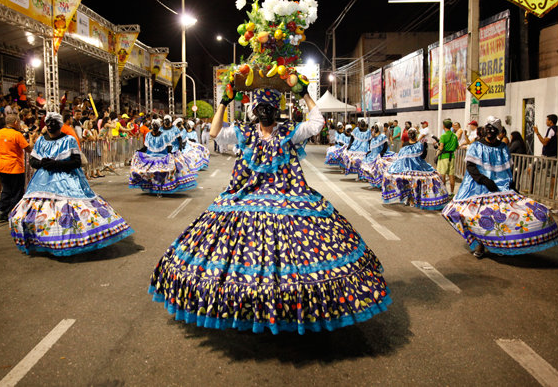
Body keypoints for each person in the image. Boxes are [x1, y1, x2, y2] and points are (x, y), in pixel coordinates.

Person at [148, 86, 392, 334]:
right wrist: (223, 102)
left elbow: (317, 124)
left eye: (270, 108)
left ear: (277, 111)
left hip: (289, 196)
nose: (264, 112)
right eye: (260, 107)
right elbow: (214, 132)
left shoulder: (288, 132)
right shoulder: (243, 133)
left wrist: (304, 95)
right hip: (246, 195)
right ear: (254, 110)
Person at [9, 112, 133, 255]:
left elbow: (76, 161)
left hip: (67, 180)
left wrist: (57, 163)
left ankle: (71, 240)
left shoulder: (69, 140)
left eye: (52, 123)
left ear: (59, 124)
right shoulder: (41, 141)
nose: (49, 126)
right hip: (43, 181)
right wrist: (42, 162)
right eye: (47, 123)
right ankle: (43, 240)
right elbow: (33, 160)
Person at [442, 116, 558, 258]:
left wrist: (511, 184)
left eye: (493, 131)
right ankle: (479, 245)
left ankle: (498, 243)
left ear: (498, 132)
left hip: (500, 186)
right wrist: (483, 180)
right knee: (476, 216)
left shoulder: (502, 147)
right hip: (477, 186)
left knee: (502, 215)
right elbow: (471, 166)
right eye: (488, 130)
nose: (490, 133)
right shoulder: (476, 146)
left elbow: (507, 168)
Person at [382, 128, 449, 210]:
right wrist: (425, 146)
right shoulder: (420, 145)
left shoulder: (405, 144)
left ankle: (410, 198)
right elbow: (423, 156)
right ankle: (412, 199)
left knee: (408, 183)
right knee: (414, 182)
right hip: (418, 167)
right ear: (416, 135)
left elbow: (401, 158)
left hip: (405, 168)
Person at [129, 118, 196, 195]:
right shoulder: (148, 135)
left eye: (155, 127)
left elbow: (169, 146)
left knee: (165, 171)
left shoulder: (164, 135)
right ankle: (154, 187)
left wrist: (170, 155)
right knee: (149, 172)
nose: (154, 129)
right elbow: (145, 147)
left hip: (162, 157)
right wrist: (138, 152)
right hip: (150, 157)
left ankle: (161, 188)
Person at [0, 114, 38, 222]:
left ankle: (1, 212)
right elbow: (28, 149)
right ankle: (15, 214)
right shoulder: (16, 134)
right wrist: (32, 139)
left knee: (6, 190)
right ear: (15, 122)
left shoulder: (0, 132)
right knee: (16, 192)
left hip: (3, 166)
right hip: (15, 167)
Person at [359, 123, 396, 189]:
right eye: (375, 127)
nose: (375, 129)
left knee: (379, 168)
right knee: (367, 166)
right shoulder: (373, 138)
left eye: (376, 127)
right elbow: (372, 148)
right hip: (372, 156)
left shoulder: (382, 136)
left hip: (381, 155)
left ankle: (381, 184)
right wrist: (368, 152)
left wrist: (380, 154)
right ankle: (373, 184)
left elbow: (385, 147)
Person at [435, 119, 459, 194]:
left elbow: (441, 148)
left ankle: (443, 192)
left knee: (442, 174)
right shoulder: (454, 135)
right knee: (451, 175)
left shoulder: (443, 135)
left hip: (444, 156)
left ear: (443, 126)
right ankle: (452, 192)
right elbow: (457, 147)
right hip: (452, 156)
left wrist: (437, 145)